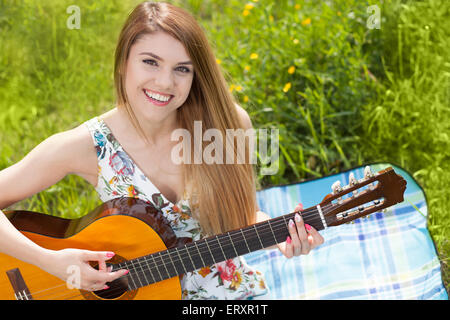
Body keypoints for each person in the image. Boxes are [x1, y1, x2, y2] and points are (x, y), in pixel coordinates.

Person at [0, 1, 324, 299]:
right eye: (150, 62)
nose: (165, 82)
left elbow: (242, 214)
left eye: (182, 69)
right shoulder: (86, 146)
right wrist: (49, 261)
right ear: (124, 61)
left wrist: (281, 235)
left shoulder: (225, 126)